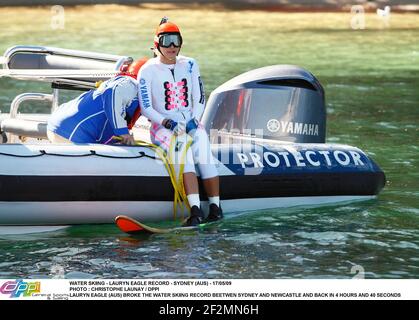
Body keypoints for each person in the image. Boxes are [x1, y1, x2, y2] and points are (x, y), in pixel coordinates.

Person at [137, 17, 223, 226]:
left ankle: (216, 207)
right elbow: (146, 107)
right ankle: (195, 210)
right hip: (162, 127)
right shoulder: (147, 70)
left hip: (191, 121)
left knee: (202, 146)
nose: (172, 46)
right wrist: (168, 123)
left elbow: (200, 97)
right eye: (166, 41)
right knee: (183, 149)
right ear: (157, 44)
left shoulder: (191, 64)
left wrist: (194, 119)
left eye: (176, 40)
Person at [47, 58, 147, 145]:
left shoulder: (123, 82)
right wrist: (122, 132)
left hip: (61, 125)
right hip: (72, 132)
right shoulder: (131, 83)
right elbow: (112, 92)